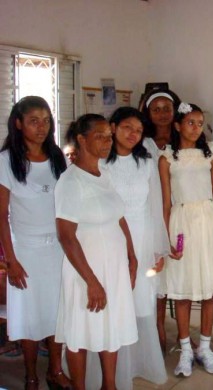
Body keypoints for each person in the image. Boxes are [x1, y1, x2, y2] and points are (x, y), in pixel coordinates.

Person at [54, 114, 138, 390]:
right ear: (81, 139)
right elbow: (66, 237)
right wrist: (91, 281)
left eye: (109, 136)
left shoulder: (106, 173)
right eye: (100, 136)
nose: (107, 142)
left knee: (109, 324)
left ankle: (109, 385)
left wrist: (132, 255)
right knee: (82, 328)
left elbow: (120, 217)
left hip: (112, 265)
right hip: (85, 268)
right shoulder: (70, 182)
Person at [158, 102, 213, 377]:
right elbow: (166, 202)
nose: (196, 128)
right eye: (190, 122)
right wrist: (167, 238)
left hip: (208, 222)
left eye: (200, 123)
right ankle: (185, 350)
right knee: (182, 290)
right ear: (178, 125)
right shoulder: (167, 157)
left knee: (208, 291)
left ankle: (204, 347)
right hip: (181, 224)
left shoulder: (211, 154)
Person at [0, 96, 70, 389]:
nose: (41, 127)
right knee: (29, 317)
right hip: (24, 251)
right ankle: (31, 375)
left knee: (57, 313)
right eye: (33, 121)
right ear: (18, 124)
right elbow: (1, 216)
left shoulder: (58, 158)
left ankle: (55, 370)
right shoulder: (6, 161)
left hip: (57, 249)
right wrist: (11, 261)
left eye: (46, 120)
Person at [103, 107, 170, 388]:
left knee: (141, 303)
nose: (133, 134)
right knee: (115, 304)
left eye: (139, 131)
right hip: (110, 239)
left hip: (141, 239)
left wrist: (158, 249)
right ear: (113, 127)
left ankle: (140, 364)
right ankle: (113, 371)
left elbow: (155, 207)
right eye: (128, 127)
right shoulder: (99, 163)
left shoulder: (146, 163)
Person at [140, 88, 180, 352]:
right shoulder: (141, 144)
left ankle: (183, 334)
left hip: (180, 214)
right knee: (154, 274)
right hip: (151, 214)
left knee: (179, 272)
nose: (163, 114)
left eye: (167, 108)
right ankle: (156, 327)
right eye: (157, 109)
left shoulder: (184, 141)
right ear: (148, 113)